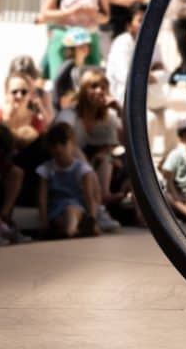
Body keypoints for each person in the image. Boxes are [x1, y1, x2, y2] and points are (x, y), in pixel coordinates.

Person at [55, 68, 125, 232]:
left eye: (103, 87)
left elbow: (127, 142)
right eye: (93, 87)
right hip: (68, 162)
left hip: (97, 164)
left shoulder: (108, 118)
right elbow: (62, 137)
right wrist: (86, 161)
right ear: (83, 90)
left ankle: (103, 199)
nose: (99, 91)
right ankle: (98, 209)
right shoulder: (70, 113)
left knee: (107, 158)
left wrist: (121, 111)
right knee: (83, 162)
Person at [107, 3, 169, 152]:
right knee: (148, 121)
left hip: (153, 101)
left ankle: (168, 167)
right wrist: (151, 73)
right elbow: (126, 77)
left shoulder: (155, 44)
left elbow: (165, 74)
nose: (145, 24)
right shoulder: (122, 44)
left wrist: (145, 75)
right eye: (140, 20)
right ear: (129, 25)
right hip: (127, 102)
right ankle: (144, 167)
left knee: (173, 122)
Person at [37, 122, 102, 239]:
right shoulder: (46, 169)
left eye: (63, 143)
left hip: (78, 208)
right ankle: (73, 230)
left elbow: (89, 197)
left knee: (71, 208)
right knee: (61, 218)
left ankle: (70, 231)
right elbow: (42, 198)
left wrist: (93, 219)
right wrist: (43, 220)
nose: (58, 148)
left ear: (72, 144)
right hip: (56, 208)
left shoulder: (81, 169)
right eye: (54, 145)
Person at [0, 124, 26, 243]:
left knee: (17, 172)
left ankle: (1, 226)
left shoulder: (9, 169)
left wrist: (4, 213)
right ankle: (2, 230)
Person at [0, 72, 47, 145]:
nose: (19, 96)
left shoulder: (37, 123)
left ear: (30, 95)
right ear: (6, 93)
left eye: (24, 92)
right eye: (14, 92)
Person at [51, 26, 93, 111]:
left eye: (86, 44)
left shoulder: (81, 66)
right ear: (72, 48)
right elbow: (62, 97)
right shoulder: (68, 67)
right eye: (80, 45)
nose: (85, 48)